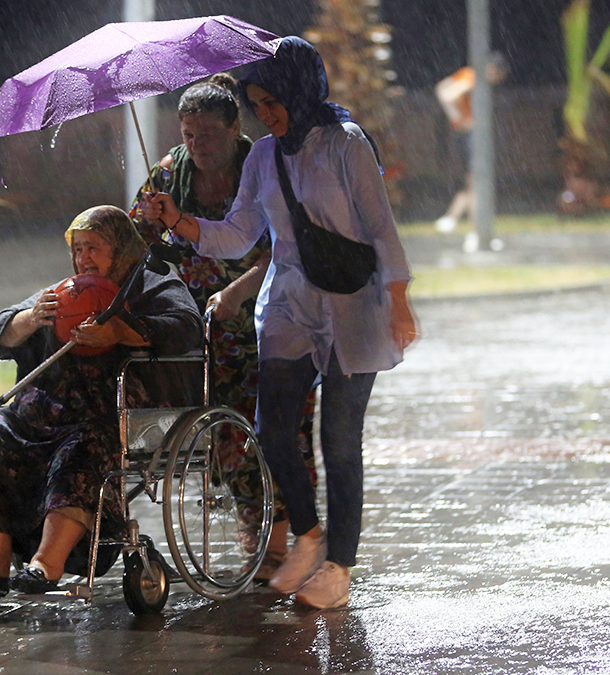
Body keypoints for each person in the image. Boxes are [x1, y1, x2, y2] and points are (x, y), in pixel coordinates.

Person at [143, 37, 419, 609]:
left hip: (352, 305)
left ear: (299, 89)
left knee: (339, 442)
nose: (266, 115)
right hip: (289, 304)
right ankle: (308, 536)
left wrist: (398, 297)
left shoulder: (345, 145)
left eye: (273, 101)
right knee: (272, 433)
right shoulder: (265, 156)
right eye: (257, 103)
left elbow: (380, 225)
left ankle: (339, 565)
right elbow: (241, 233)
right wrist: (182, 222)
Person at [0, 205, 202, 603]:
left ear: (120, 247)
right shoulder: (69, 290)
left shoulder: (154, 283)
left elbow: (186, 327)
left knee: (87, 440)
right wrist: (30, 318)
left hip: (113, 409)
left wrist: (122, 331)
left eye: (94, 247)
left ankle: (47, 562)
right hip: (45, 412)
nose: (84, 258)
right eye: (78, 249)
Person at [130, 74, 317, 580]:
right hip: (212, 328)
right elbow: (134, 238)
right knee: (228, 432)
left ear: (236, 128)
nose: (198, 146)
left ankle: (286, 532)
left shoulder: (265, 165)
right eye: (189, 135)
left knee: (285, 426)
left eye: (209, 135)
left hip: (279, 310)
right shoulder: (171, 172)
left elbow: (287, 245)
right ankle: (255, 524)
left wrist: (239, 291)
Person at [433, 55, 508, 233]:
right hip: (469, 135)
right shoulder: (473, 77)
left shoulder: (467, 74)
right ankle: (475, 229)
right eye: (498, 77)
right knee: (477, 180)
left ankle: (452, 219)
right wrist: (458, 118)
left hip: (468, 134)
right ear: (493, 70)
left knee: (474, 180)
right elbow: (448, 94)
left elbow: (441, 87)